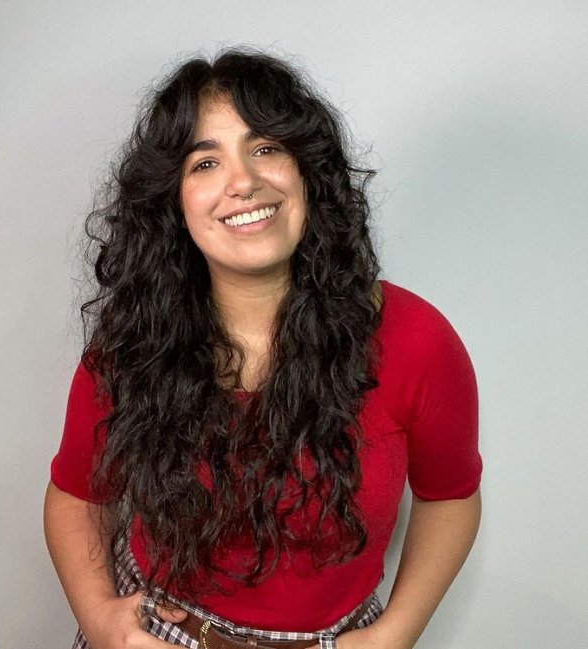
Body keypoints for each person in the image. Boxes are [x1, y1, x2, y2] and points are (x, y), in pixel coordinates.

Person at [44, 48, 482, 649]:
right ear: (172, 201)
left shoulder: (418, 339)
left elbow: (450, 497)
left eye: (267, 148)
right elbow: (76, 493)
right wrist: (100, 618)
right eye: (204, 162)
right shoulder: (133, 342)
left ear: (308, 172)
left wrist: (393, 637)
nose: (243, 182)